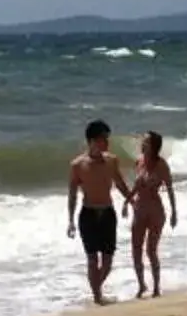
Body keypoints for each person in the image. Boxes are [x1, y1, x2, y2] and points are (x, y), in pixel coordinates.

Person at [66, 119, 132, 305]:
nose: (107, 143)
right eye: (104, 139)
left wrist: (131, 201)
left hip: (108, 213)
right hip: (88, 214)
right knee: (93, 259)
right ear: (92, 141)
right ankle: (97, 297)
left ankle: (96, 289)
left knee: (108, 261)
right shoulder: (77, 165)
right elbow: (72, 195)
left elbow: (120, 184)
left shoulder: (111, 161)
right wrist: (70, 221)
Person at [127, 129, 178, 298]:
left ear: (154, 146)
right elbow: (136, 186)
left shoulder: (161, 165)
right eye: (143, 140)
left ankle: (156, 287)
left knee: (151, 250)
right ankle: (141, 285)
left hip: (156, 211)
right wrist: (127, 202)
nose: (143, 142)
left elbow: (170, 189)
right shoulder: (139, 161)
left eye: (146, 141)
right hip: (139, 209)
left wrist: (174, 212)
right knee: (135, 249)